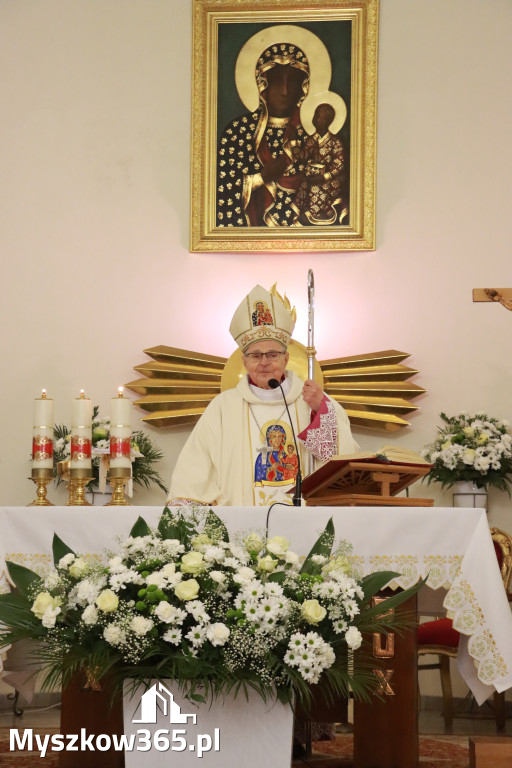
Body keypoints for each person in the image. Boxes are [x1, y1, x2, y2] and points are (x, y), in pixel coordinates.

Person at [167, 284, 359, 507]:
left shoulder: (312, 401)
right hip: (239, 525)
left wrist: (320, 412)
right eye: (256, 355)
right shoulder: (223, 407)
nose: (264, 362)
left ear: (286, 359)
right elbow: (196, 466)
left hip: (305, 522)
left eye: (273, 354)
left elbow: (337, 464)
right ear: (244, 361)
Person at [216, 43, 310, 228]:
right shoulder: (238, 132)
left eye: (291, 82)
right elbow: (222, 191)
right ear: (263, 84)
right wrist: (261, 177)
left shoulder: (308, 134)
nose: (285, 91)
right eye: (276, 81)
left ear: (302, 87)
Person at [291, 102, 346, 225]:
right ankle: (298, 213)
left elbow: (339, 164)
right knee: (303, 185)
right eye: (314, 115)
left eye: (318, 116)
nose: (314, 119)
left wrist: (324, 176)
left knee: (317, 188)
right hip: (314, 176)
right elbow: (303, 157)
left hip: (331, 179)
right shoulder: (312, 139)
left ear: (327, 120)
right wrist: (293, 143)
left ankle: (313, 215)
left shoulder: (335, 142)